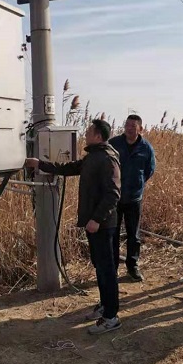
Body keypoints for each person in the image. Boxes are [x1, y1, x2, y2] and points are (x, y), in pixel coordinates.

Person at [25, 119, 122, 335]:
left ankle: (111, 317)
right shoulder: (93, 157)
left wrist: (97, 219)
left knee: (107, 269)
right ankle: (105, 305)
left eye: (89, 131)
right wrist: (40, 164)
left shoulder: (107, 158)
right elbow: (69, 168)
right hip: (94, 223)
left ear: (98, 136)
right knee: (100, 267)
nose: (85, 133)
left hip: (102, 225)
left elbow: (113, 193)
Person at [109, 114, 156, 282]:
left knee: (133, 234)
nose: (129, 128)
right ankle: (112, 267)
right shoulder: (114, 144)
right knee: (113, 233)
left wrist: (138, 183)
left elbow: (150, 169)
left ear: (140, 129)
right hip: (114, 197)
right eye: (127, 125)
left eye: (133, 126)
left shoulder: (146, 147)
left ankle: (132, 265)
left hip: (134, 198)